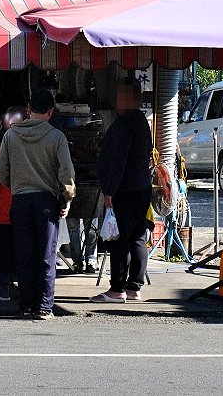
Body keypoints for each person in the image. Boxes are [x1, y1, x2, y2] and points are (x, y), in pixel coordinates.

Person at [0, 89, 76, 319]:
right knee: (46, 257)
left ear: (29, 110)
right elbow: (66, 173)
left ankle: (26, 305)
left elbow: (1, 170)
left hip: (20, 200)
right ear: (51, 111)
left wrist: (16, 185)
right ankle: (43, 307)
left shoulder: (10, 136)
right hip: (46, 202)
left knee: (24, 256)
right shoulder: (57, 137)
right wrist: (67, 197)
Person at [90, 81, 153, 304]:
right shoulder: (141, 121)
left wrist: (109, 190)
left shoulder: (125, 124)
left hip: (124, 189)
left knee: (118, 239)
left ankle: (117, 289)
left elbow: (118, 160)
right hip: (141, 187)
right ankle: (134, 286)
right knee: (137, 236)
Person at [0, 106, 26, 301]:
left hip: (5, 207)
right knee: (26, 250)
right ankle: (27, 289)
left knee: (5, 250)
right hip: (28, 205)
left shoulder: (4, 147)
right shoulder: (38, 142)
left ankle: (4, 291)